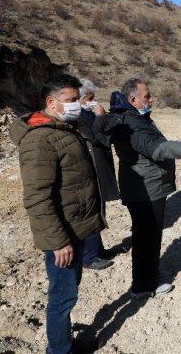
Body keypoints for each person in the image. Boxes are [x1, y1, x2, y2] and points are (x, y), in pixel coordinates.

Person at [10, 74, 105, 354]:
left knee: (68, 292)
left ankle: (64, 342)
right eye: (71, 100)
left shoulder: (64, 128)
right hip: (63, 234)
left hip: (75, 227)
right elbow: (38, 198)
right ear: (52, 102)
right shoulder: (39, 140)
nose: (77, 105)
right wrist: (57, 242)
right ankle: (60, 350)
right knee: (62, 297)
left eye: (78, 99)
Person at [99, 77, 181, 299]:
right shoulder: (132, 124)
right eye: (147, 96)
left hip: (143, 187)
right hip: (145, 190)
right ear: (133, 99)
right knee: (147, 237)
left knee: (146, 235)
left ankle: (148, 275)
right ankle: (143, 285)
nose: (152, 99)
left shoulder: (130, 118)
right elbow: (157, 149)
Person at [77, 78, 120, 270]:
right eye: (89, 97)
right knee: (93, 208)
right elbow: (94, 137)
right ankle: (89, 255)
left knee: (100, 207)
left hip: (99, 163)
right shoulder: (78, 116)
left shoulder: (87, 113)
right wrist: (100, 117)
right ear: (80, 98)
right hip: (90, 167)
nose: (93, 101)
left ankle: (98, 250)